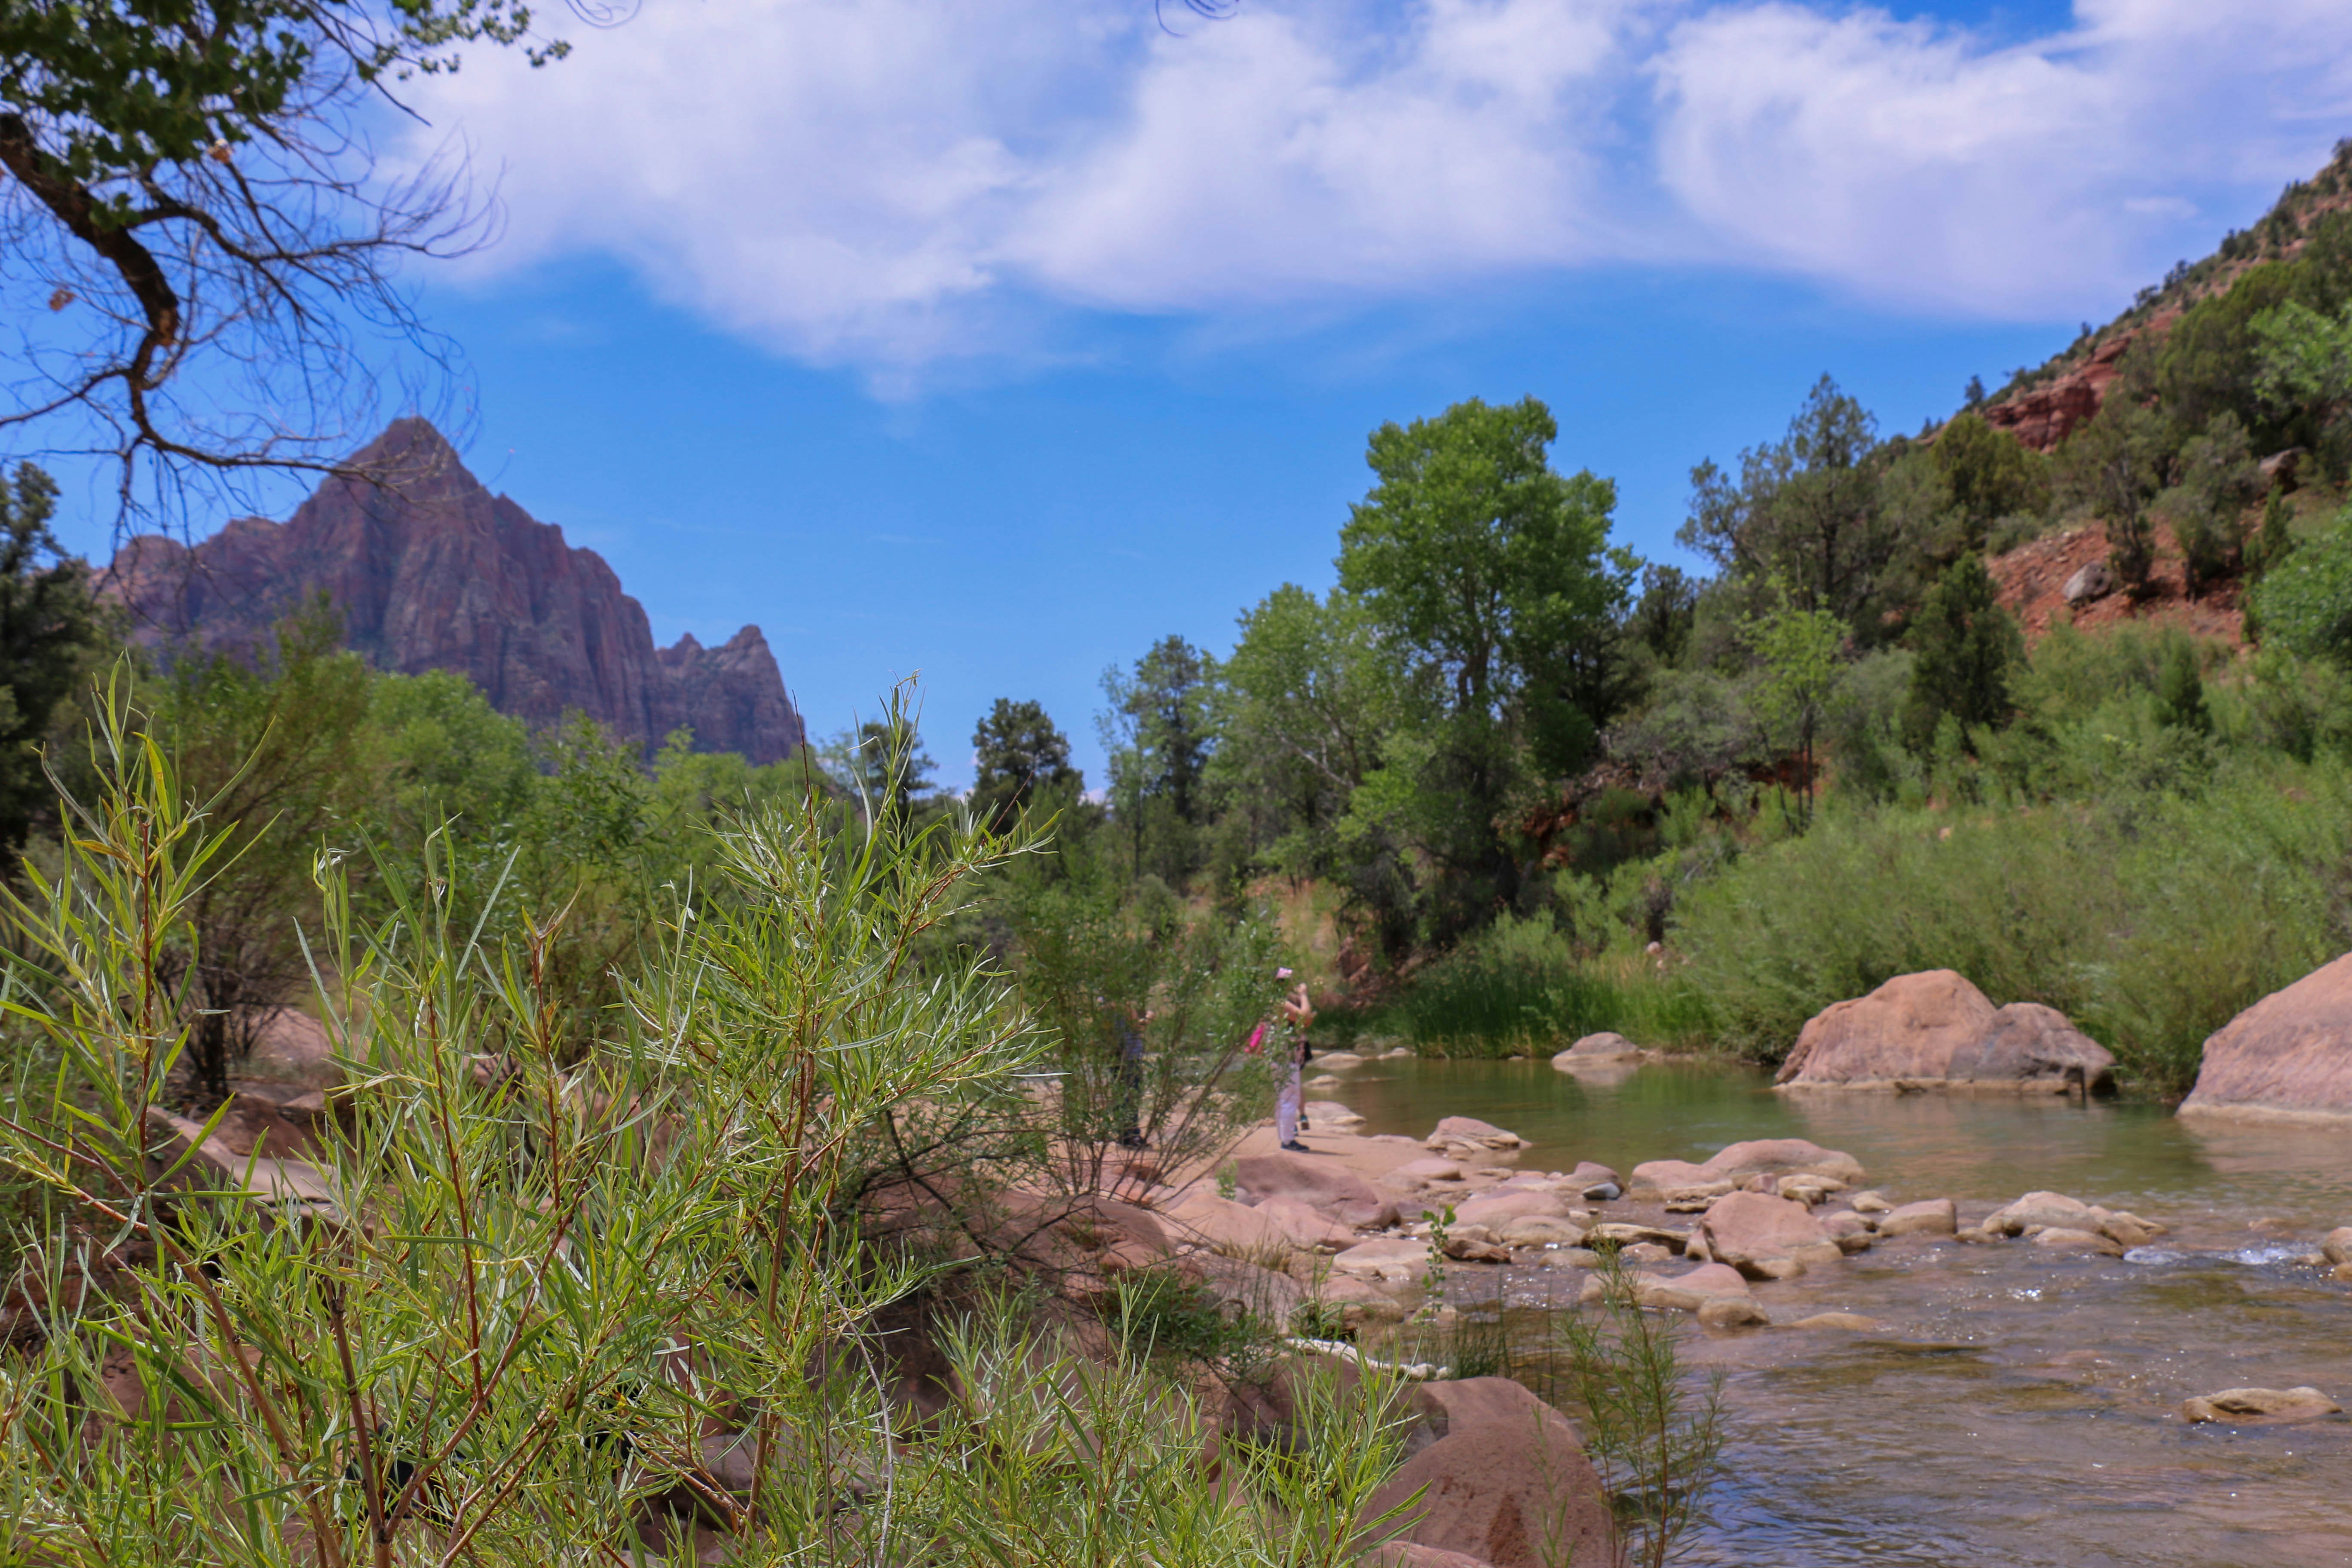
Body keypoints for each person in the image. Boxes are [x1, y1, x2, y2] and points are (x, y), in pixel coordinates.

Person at [1274, 980, 1314, 1152]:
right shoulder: (1279, 1003)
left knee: (1284, 1099)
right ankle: (1288, 1141)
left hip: (1282, 1058)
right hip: (1286, 1058)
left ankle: (1286, 1137)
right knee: (1289, 1099)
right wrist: (1304, 995)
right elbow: (1304, 1017)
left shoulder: (1272, 1003)